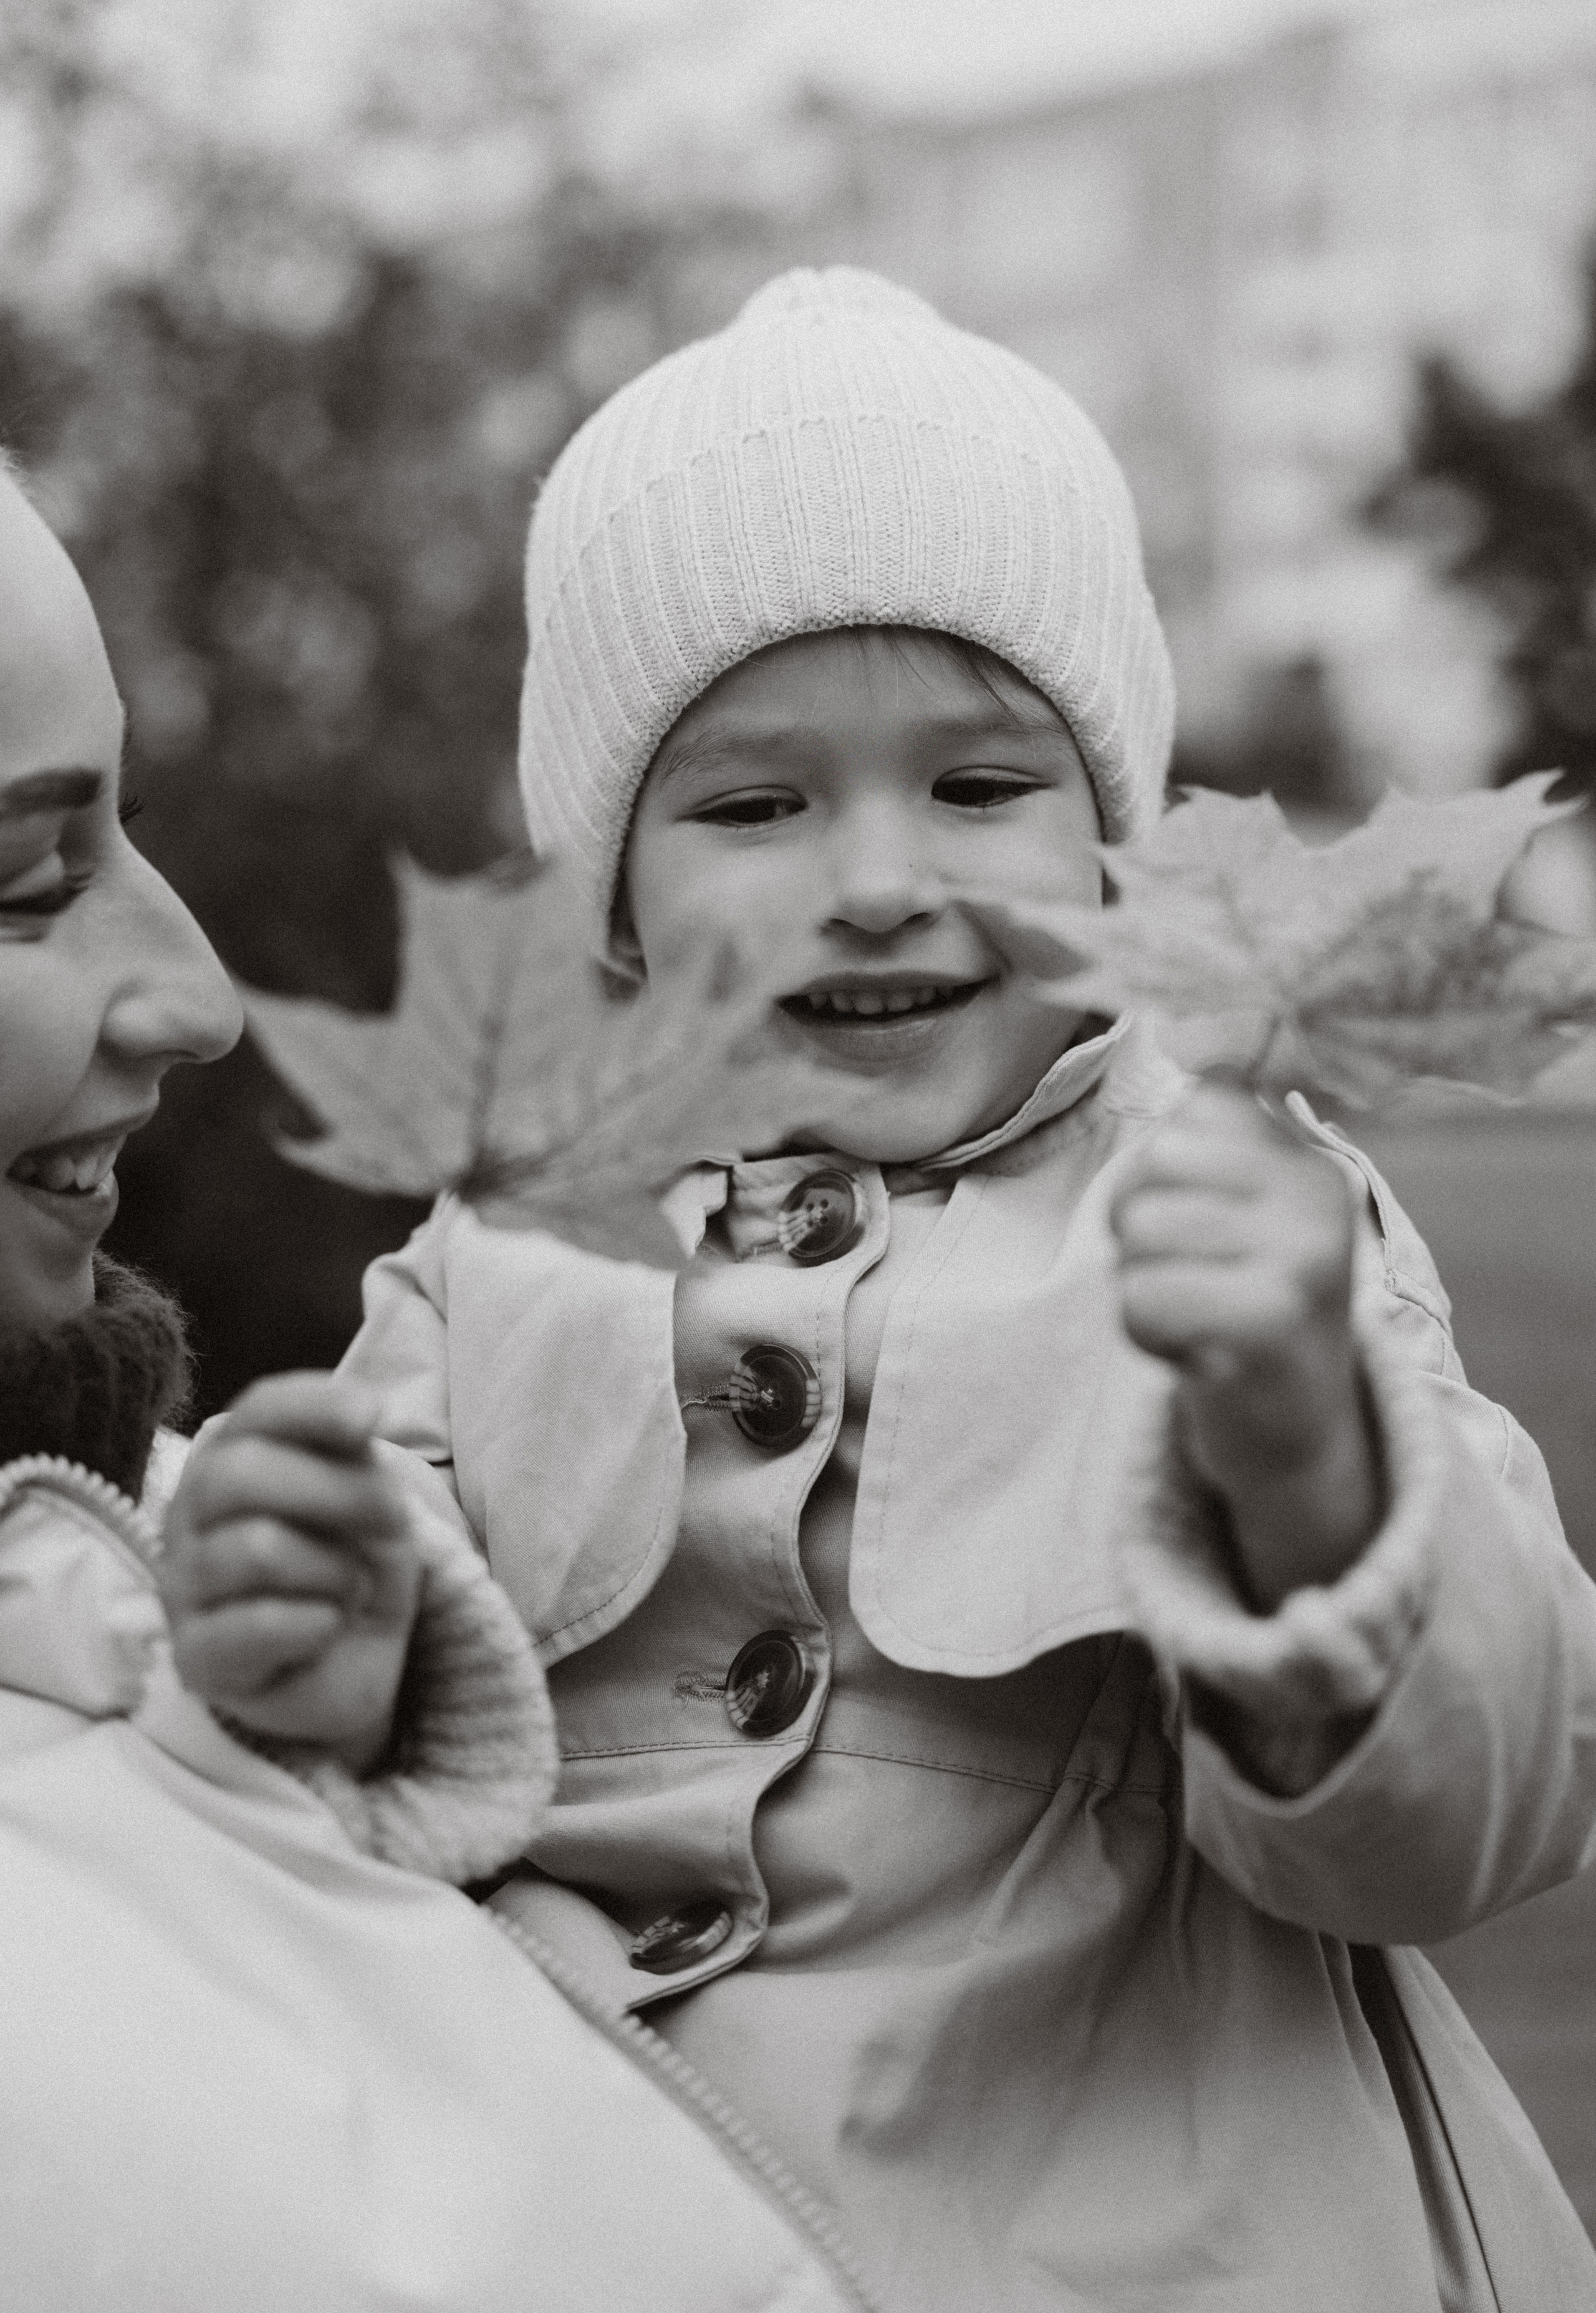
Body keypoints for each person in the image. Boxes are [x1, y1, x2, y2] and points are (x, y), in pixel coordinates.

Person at [191, 270, 1596, 2310]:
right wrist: (320, 1642)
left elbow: (1462, 1825)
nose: (876, 876)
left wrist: (1307, 1459)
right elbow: (344, 1700)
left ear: (1112, 831)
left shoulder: (1231, 1224)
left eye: (981, 787)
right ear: (616, 885)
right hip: (585, 2215)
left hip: (1152, 2226)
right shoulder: (502, 1250)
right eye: (754, 806)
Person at [0, 451, 871, 2313]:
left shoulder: (127, 1556)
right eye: (20, 881)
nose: (204, 991)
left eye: (984, 788)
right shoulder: (503, 1284)